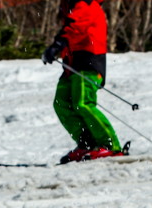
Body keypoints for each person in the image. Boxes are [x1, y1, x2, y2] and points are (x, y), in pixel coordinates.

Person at [42, 0, 125, 164]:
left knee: (83, 102)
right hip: (72, 63)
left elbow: (76, 26)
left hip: (88, 61)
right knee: (62, 103)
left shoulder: (86, 3)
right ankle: (87, 144)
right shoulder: (70, 4)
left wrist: (57, 45)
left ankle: (110, 145)